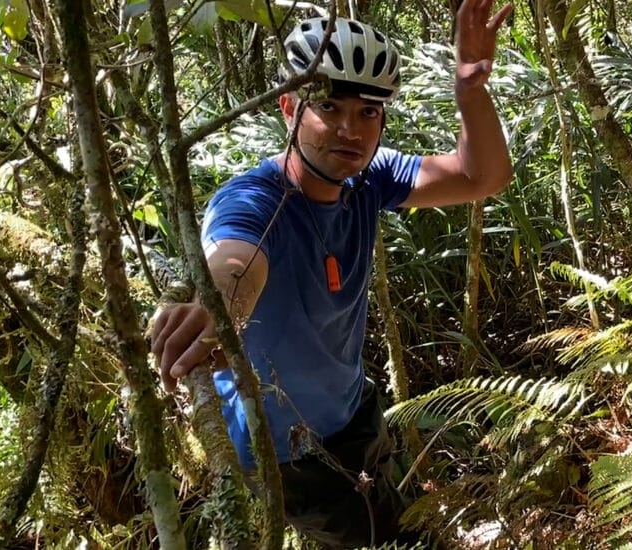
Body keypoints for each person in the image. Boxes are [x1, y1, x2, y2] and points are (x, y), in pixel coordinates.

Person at [149, 0, 514, 547]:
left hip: (352, 412)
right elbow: (235, 262)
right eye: (330, 107)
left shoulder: (368, 180)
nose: (350, 128)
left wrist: (469, 89)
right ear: (290, 106)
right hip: (291, 451)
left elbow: (480, 175)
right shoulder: (255, 200)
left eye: (368, 112)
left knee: (400, 513)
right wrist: (215, 306)